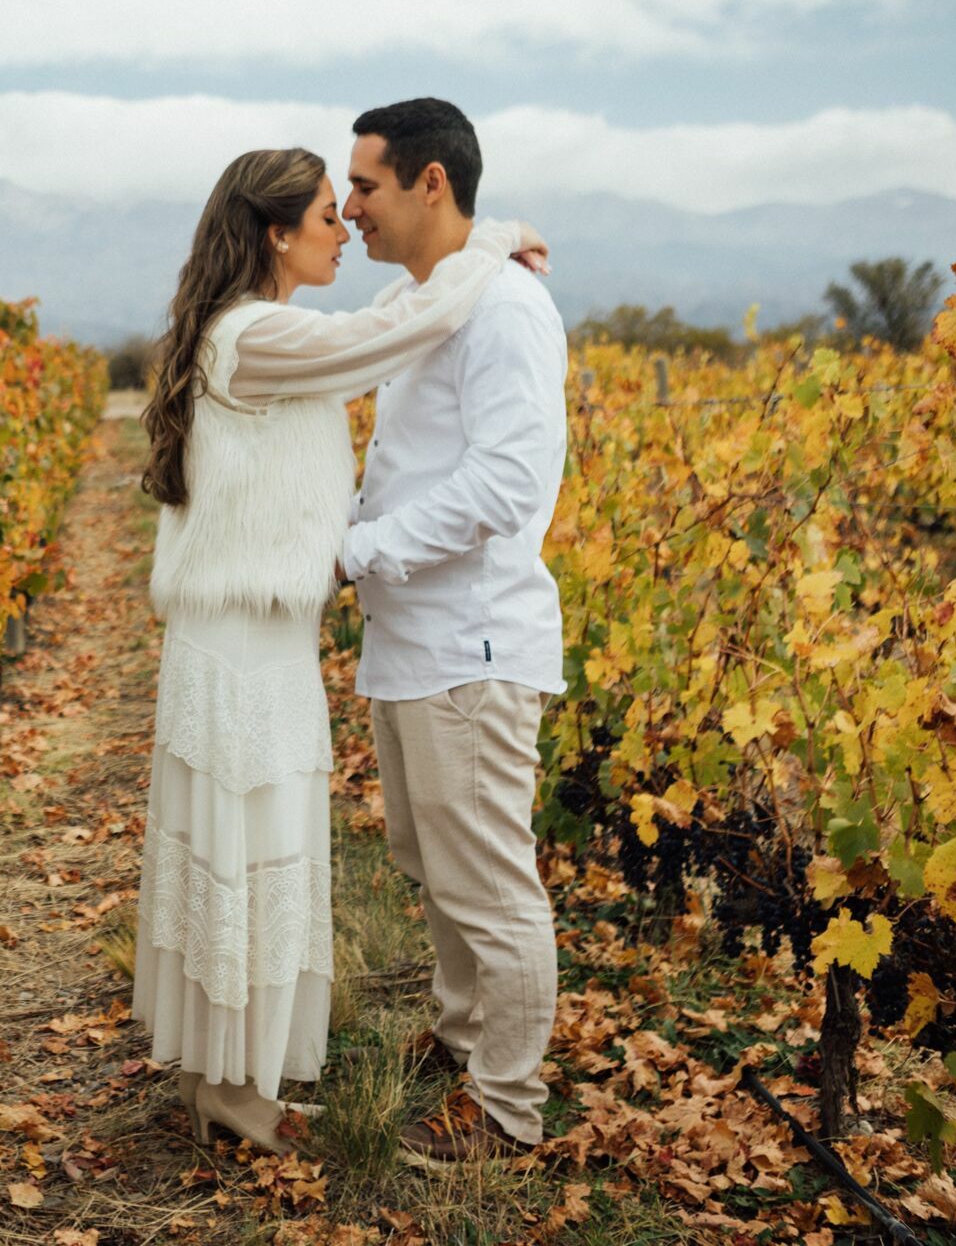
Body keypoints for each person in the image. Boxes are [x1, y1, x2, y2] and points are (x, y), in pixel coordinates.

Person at [130, 143, 547, 1156]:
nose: (343, 224)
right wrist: (488, 245)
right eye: (327, 209)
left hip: (253, 640)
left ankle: (229, 1078)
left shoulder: (249, 333)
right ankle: (232, 1089)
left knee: (246, 856)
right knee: (244, 855)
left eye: (352, 197)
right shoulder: (259, 335)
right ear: (277, 232)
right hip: (243, 651)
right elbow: (393, 330)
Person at [334, 97, 570, 1167]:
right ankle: (470, 1042)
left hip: (469, 643)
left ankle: (507, 1106)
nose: (350, 207)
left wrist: (363, 550)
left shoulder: (504, 310)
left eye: (367, 185)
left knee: (489, 880)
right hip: (416, 646)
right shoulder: (425, 299)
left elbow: (507, 481)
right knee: (437, 861)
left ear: (432, 183)